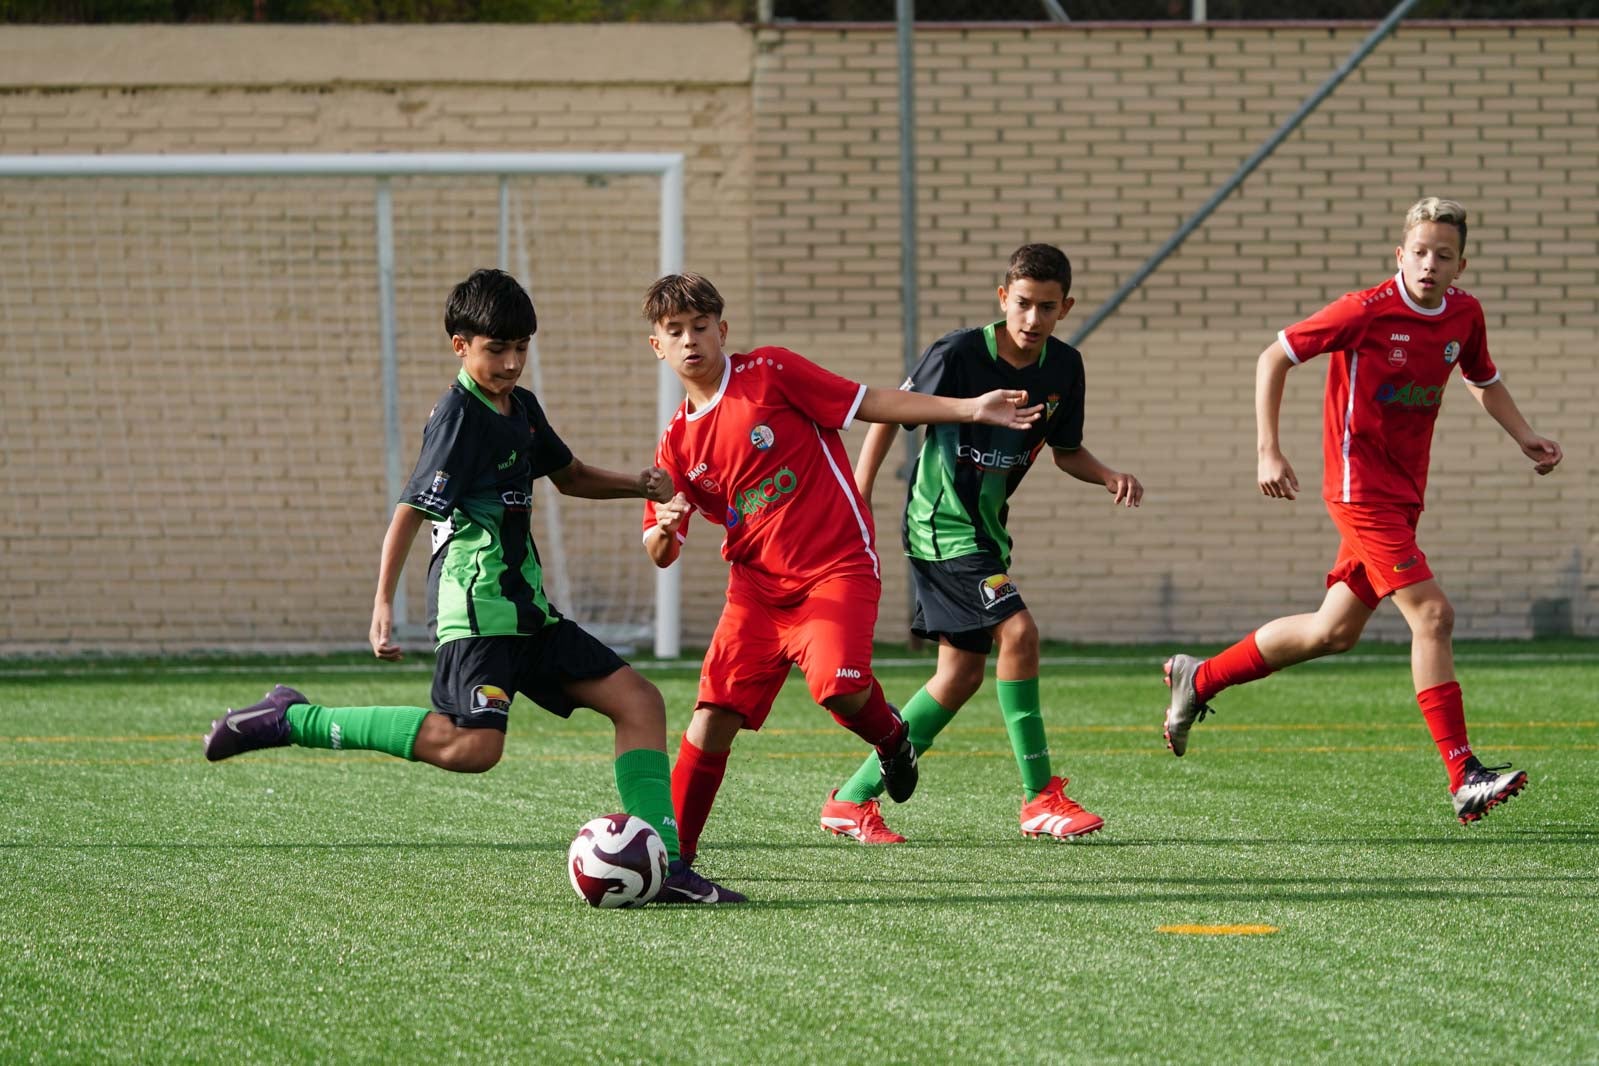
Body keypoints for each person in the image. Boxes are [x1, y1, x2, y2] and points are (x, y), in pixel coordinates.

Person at [203, 268, 743, 904]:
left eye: (520, 348)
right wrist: (383, 604)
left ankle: (667, 865)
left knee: (639, 701)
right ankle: (294, 718)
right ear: (461, 345)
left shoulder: (523, 408)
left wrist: (639, 484)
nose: (511, 362)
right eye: (496, 350)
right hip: (478, 609)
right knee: (472, 747)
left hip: (528, 613)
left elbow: (567, 476)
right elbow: (411, 509)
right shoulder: (460, 415)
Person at [1162, 197, 1563, 825]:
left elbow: (1481, 379)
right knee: (1433, 615)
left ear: (1461, 264)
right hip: (1358, 490)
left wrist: (1525, 436)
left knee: (1334, 631)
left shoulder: (1464, 314)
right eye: (1420, 252)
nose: (1430, 264)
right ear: (1400, 254)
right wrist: (1268, 450)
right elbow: (1274, 357)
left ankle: (1199, 677)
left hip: (1403, 497)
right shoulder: (1365, 311)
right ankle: (1463, 774)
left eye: (1444, 255)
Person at [640, 271, 1043, 879]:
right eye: (676, 332)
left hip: (836, 567)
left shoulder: (770, 372)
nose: (690, 340)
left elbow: (869, 401)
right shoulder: (676, 442)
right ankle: (673, 862)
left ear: (722, 330)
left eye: (701, 327)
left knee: (840, 687)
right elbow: (658, 548)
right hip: (755, 592)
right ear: (659, 346)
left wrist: (971, 408)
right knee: (711, 716)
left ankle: (891, 740)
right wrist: (664, 533)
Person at [822, 242, 1142, 845]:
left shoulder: (1064, 368)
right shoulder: (959, 353)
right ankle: (1040, 798)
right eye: (1022, 304)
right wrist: (859, 493)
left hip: (985, 535)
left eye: (1047, 307)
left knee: (960, 675)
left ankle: (851, 798)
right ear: (1003, 298)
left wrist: (1107, 475)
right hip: (940, 526)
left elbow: (1066, 450)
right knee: (1019, 632)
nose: (1032, 319)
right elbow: (890, 413)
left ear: (1065, 307)